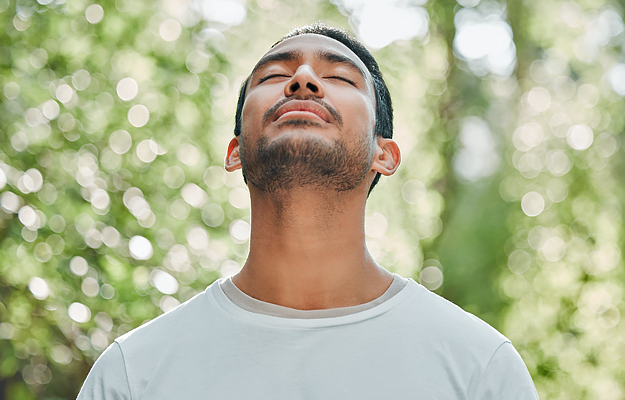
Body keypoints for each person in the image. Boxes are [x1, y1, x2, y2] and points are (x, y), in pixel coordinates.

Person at [77, 23, 539, 399]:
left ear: (385, 154)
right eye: (274, 77)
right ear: (236, 151)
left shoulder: (480, 369)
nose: (302, 79)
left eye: (339, 78)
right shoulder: (132, 374)